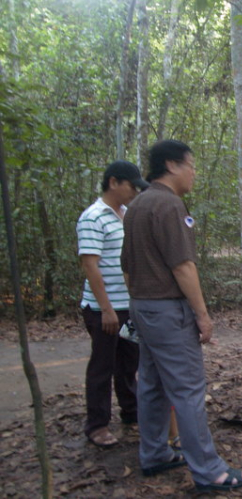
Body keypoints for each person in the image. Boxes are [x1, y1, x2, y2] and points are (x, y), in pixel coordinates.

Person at [121, 140, 242, 492]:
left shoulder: (136, 205)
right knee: (188, 389)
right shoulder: (168, 204)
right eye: (191, 164)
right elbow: (182, 266)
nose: (194, 171)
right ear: (172, 165)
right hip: (167, 309)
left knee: (151, 384)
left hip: (142, 306)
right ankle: (210, 471)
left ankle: (155, 454)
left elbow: (127, 267)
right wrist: (202, 315)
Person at [77, 160, 148, 448]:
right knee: (102, 367)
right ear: (114, 182)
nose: (134, 192)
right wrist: (105, 308)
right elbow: (90, 265)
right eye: (131, 186)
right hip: (103, 308)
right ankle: (97, 425)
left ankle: (131, 413)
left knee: (129, 364)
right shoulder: (93, 217)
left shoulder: (128, 214)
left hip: (129, 305)